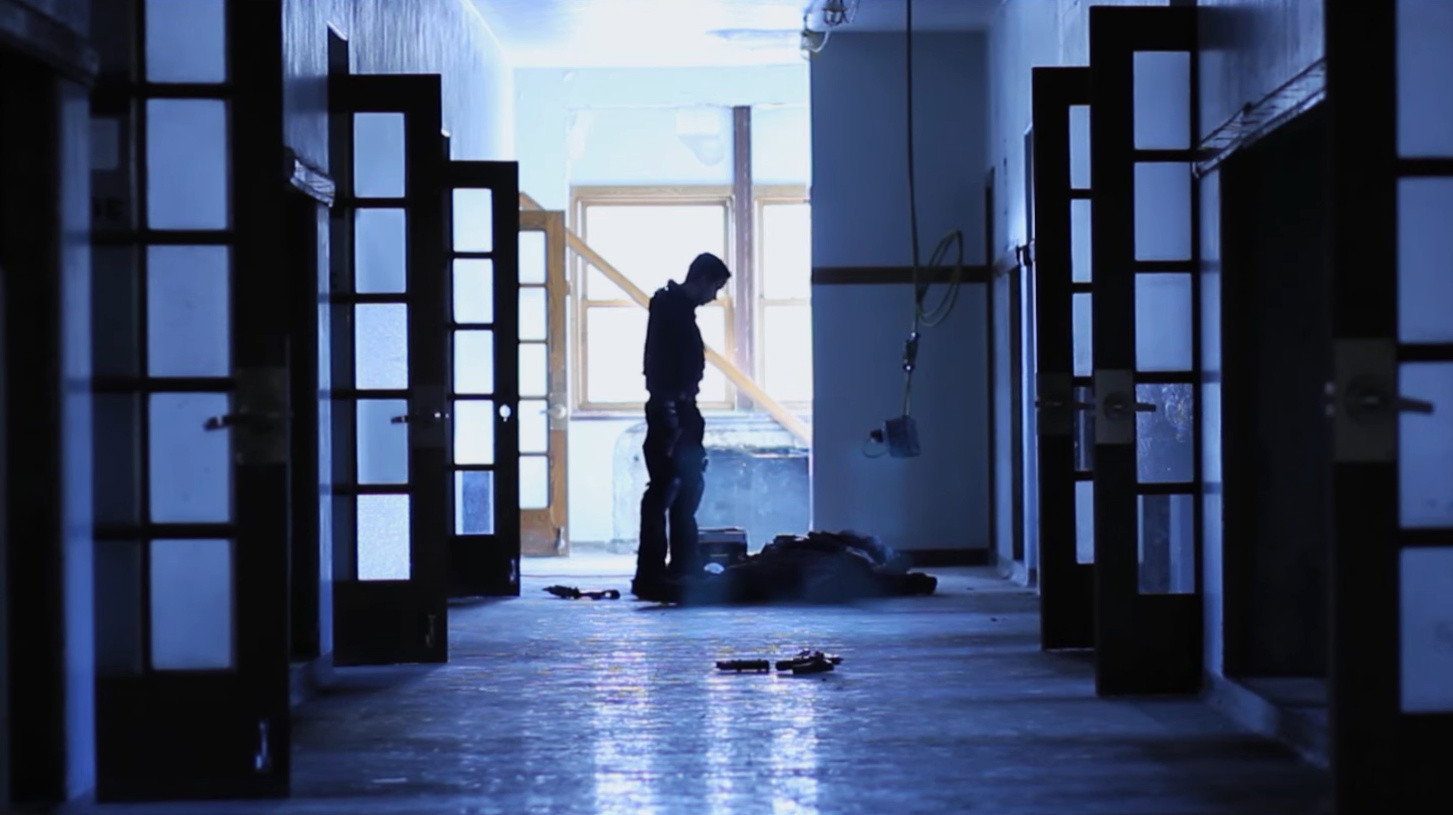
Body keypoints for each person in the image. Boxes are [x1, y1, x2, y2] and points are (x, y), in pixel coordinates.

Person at [632, 252, 731, 601]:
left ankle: (676, 568)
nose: (714, 296)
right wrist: (672, 414)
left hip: (676, 409)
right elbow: (659, 365)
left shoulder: (674, 310)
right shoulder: (671, 312)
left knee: (681, 490)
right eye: (715, 287)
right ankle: (658, 572)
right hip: (672, 410)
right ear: (702, 280)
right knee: (668, 490)